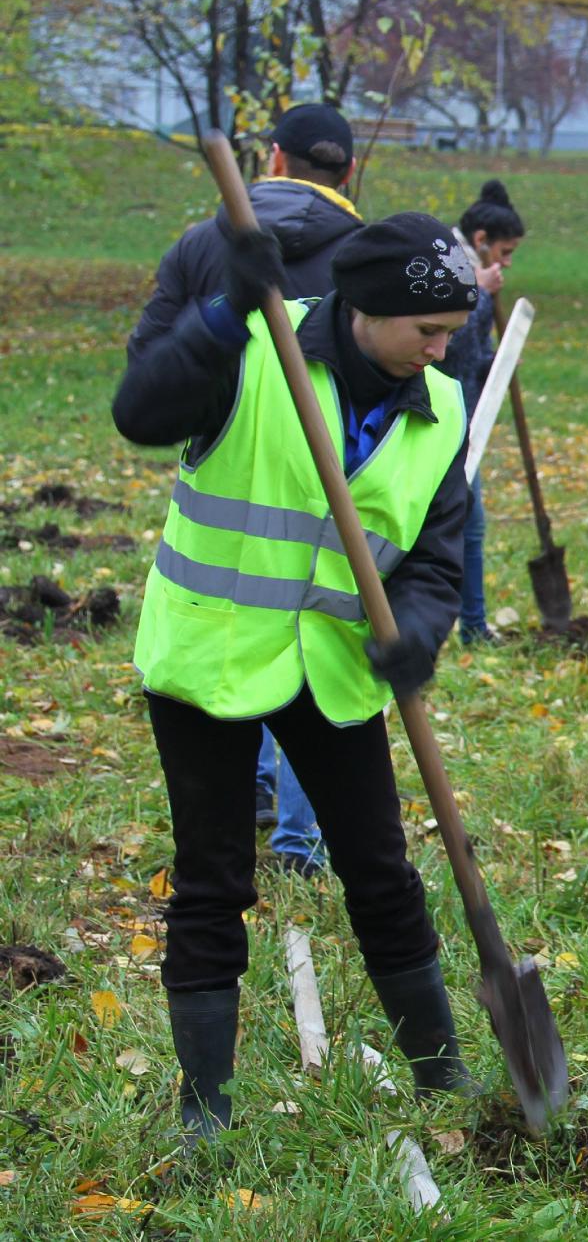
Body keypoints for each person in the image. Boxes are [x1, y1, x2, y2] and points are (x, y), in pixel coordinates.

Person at [112, 210, 482, 1148]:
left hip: (333, 672)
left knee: (381, 872)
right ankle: (205, 1107)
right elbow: (138, 414)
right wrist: (221, 312)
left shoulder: (438, 405)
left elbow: (437, 560)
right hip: (210, 659)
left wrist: (423, 632)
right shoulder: (253, 351)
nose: (442, 350)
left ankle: (443, 1073)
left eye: (452, 333)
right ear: (365, 307)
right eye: (428, 331)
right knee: (212, 879)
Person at [129, 102, 365, 878]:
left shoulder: (203, 246)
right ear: (349, 172)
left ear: (271, 159)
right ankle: (302, 843)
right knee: (315, 656)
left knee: (241, 639)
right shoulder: (370, 257)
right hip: (340, 509)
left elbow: (149, 374)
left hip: (227, 501)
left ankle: (252, 792)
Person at [442, 180, 526, 645]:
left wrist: (501, 359)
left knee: (472, 525)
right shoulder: (451, 267)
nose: (508, 262)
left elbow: (475, 356)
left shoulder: (471, 269)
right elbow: (448, 349)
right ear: (480, 241)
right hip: (445, 419)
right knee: (465, 525)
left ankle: (473, 623)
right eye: (505, 251)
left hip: (467, 416)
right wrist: (476, 296)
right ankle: (467, 624)